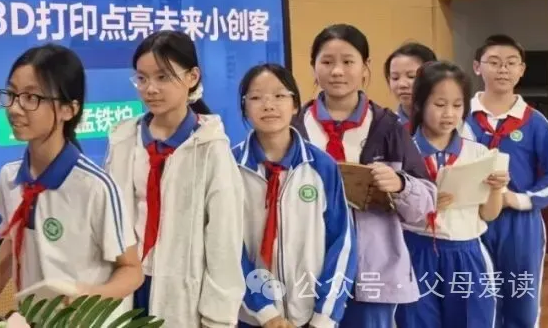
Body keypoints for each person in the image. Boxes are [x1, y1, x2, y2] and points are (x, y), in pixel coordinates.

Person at [292, 24, 436, 328]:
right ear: (313, 66)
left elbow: (426, 204)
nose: (337, 71)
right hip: (307, 273)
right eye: (327, 61)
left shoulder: (388, 127)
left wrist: (401, 185)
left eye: (348, 61)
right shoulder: (295, 128)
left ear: (365, 67)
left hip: (371, 276)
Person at [0, 44, 142, 320]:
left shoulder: (95, 187)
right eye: (11, 94)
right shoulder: (9, 178)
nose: (15, 108)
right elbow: (9, 249)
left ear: (69, 109)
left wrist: (88, 296)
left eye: (31, 97)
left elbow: (132, 270)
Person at [103, 31, 245, 326]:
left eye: (163, 77)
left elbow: (223, 243)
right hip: (126, 283)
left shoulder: (211, 148)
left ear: (192, 77)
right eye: (142, 79)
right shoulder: (123, 140)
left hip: (182, 295)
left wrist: (218, 319)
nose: (150, 89)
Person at [234, 63, 356, 328]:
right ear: (244, 108)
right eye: (256, 97)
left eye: (279, 95)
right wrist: (265, 313)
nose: (269, 105)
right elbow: (226, 246)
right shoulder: (230, 167)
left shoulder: (322, 166)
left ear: (295, 105)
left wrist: (324, 317)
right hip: (251, 317)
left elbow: (342, 242)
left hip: (311, 315)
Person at [461, 34, 548, 327]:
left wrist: (521, 199)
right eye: (494, 62)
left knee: (521, 298)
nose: (503, 69)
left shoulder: (534, 121)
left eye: (511, 63)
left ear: (521, 70)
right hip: (469, 220)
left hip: (519, 225)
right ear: (477, 67)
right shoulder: (459, 116)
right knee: (474, 297)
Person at [395, 61, 508, 328]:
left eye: (457, 106)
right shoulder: (402, 153)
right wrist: (424, 203)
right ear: (419, 104)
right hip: (416, 251)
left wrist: (495, 188)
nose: (449, 114)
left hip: (466, 252)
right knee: (416, 322)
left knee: (472, 321)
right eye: (439, 104)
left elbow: (489, 214)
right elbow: (389, 211)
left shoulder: (478, 153)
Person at [384, 42, 437, 131]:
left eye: (411, 76)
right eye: (395, 78)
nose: (402, 84)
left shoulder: (454, 123)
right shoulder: (385, 128)